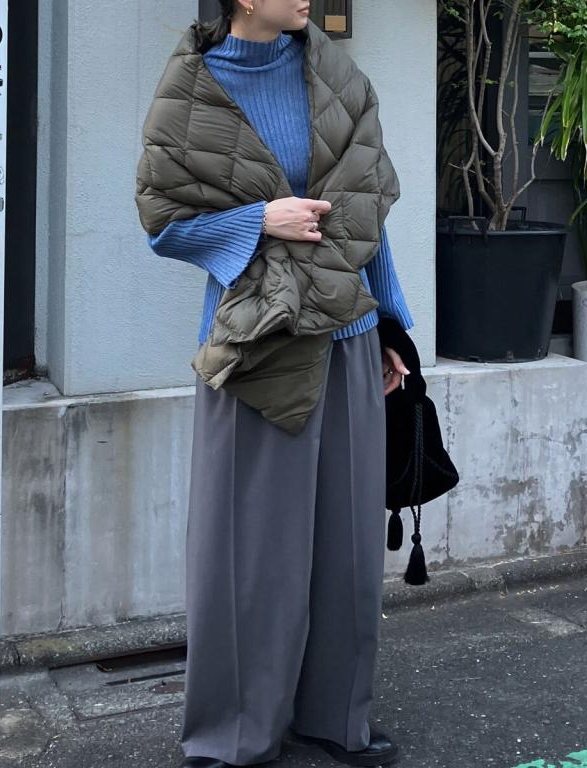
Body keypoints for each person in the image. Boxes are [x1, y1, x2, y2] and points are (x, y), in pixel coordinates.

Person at [137, 2, 413, 766]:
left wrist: (392, 327)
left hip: (347, 335)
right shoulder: (191, 88)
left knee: (348, 547)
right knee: (248, 553)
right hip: (257, 347)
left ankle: (336, 719)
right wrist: (259, 218)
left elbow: (368, 213)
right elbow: (164, 223)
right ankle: (233, 734)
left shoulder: (335, 75)